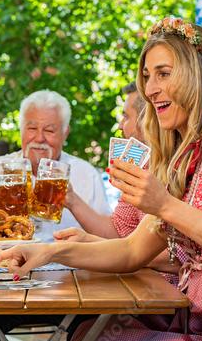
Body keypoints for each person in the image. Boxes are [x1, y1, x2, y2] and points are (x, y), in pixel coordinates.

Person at [0, 17, 202, 340]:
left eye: (163, 74)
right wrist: (47, 253)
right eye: (147, 76)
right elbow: (131, 251)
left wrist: (165, 205)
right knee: (91, 333)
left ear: (198, 76)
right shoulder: (182, 158)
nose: (149, 89)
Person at [56, 82, 180, 280]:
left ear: (147, 119)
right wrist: (71, 199)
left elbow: (178, 258)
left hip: (173, 296)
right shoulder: (142, 165)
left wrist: (94, 244)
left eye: (126, 116)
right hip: (144, 289)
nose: (121, 125)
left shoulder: (180, 167)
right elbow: (118, 231)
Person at [0, 89, 112, 240]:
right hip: (4, 260)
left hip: (66, 262)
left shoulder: (85, 173)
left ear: (65, 133)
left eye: (49, 130)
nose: (40, 138)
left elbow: (110, 237)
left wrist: (74, 202)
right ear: (21, 129)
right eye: (32, 128)